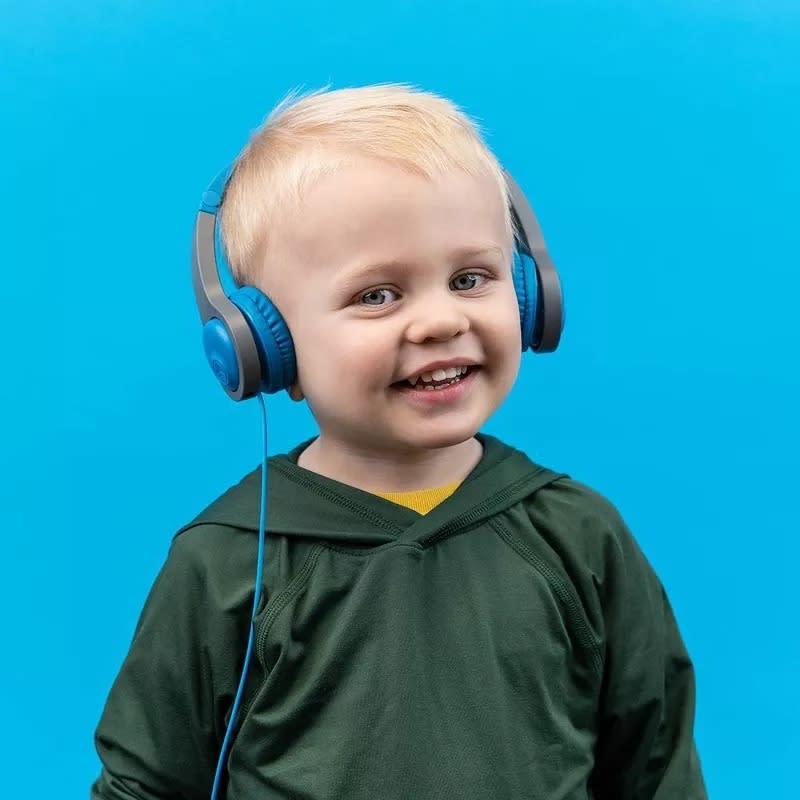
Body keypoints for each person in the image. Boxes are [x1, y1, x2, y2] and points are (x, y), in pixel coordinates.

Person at [91, 84, 707, 800]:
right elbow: (145, 785)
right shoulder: (228, 558)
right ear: (267, 347)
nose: (441, 320)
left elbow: (657, 767)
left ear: (529, 294)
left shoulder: (580, 535)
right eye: (377, 295)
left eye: (471, 277)